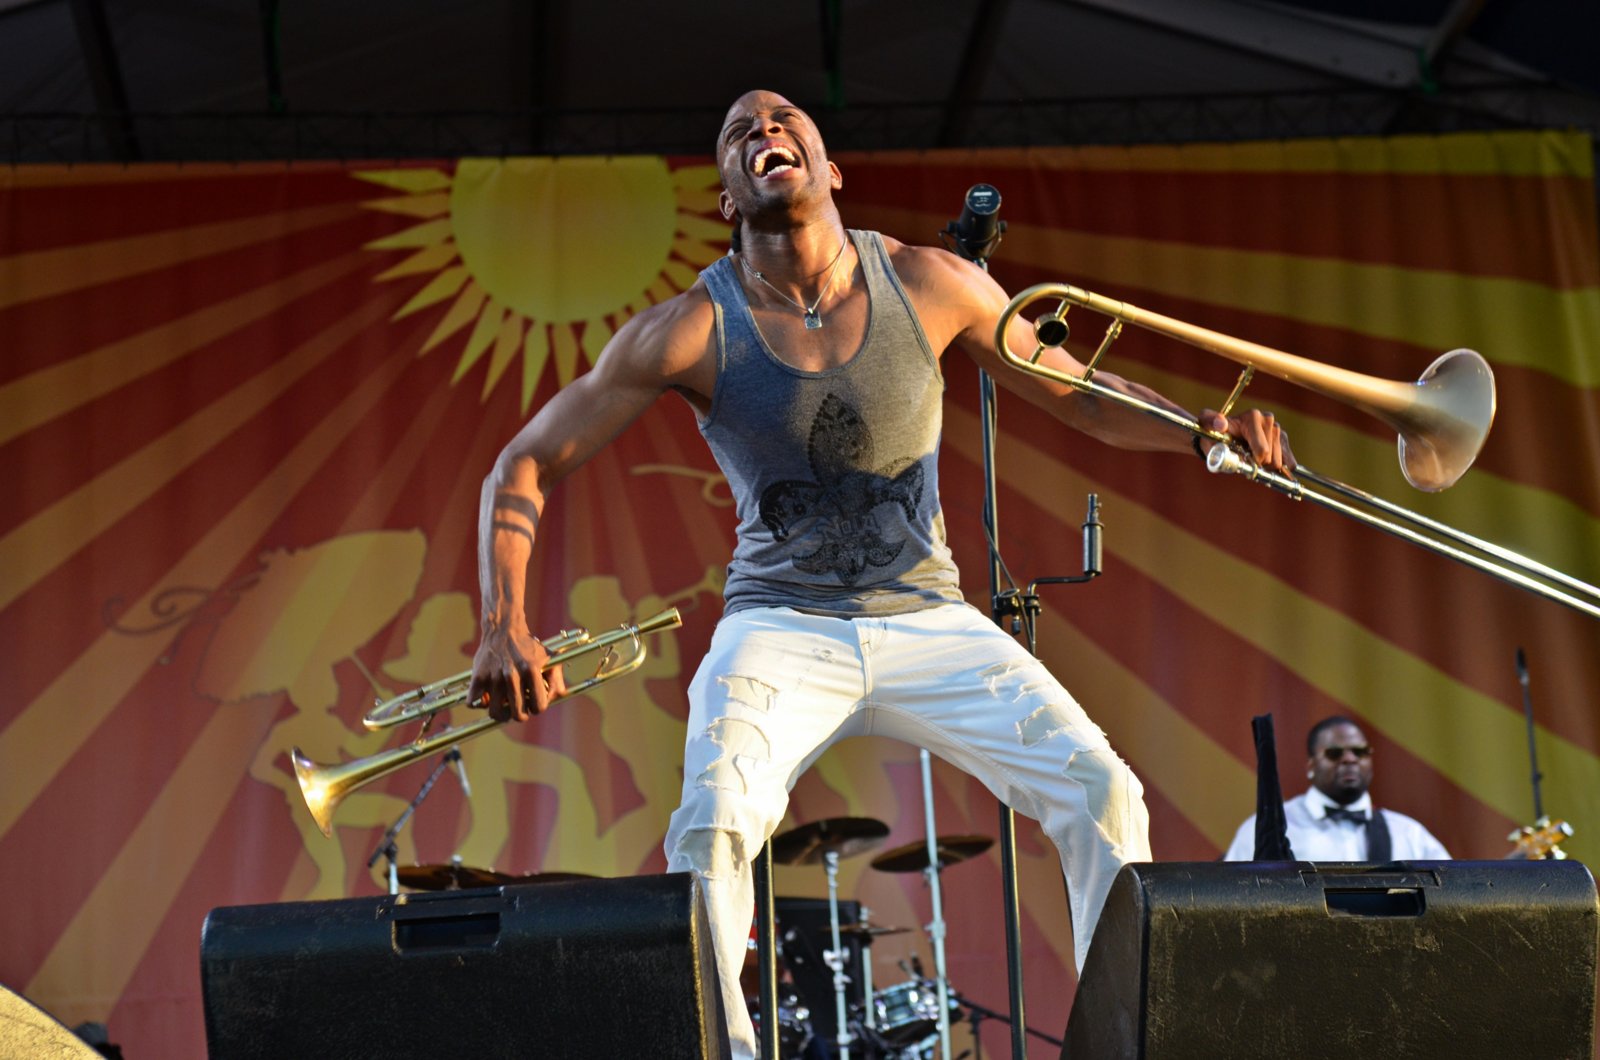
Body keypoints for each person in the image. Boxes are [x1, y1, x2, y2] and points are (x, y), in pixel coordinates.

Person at [467, 89, 1294, 1057]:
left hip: (928, 619)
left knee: (1101, 790)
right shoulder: (687, 329)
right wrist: (503, 623)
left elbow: (1078, 394)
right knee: (715, 821)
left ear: (830, 169)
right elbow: (523, 464)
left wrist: (1200, 430)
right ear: (728, 196)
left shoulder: (932, 280)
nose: (764, 132)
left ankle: (1126, 1046)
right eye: (740, 132)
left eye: (784, 121)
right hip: (780, 624)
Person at [1224, 715, 1450, 862]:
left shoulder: (1408, 834)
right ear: (1311, 766)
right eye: (1334, 753)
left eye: (1360, 752)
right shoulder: (1267, 830)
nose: (1350, 759)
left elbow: (1451, 901)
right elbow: (1232, 901)